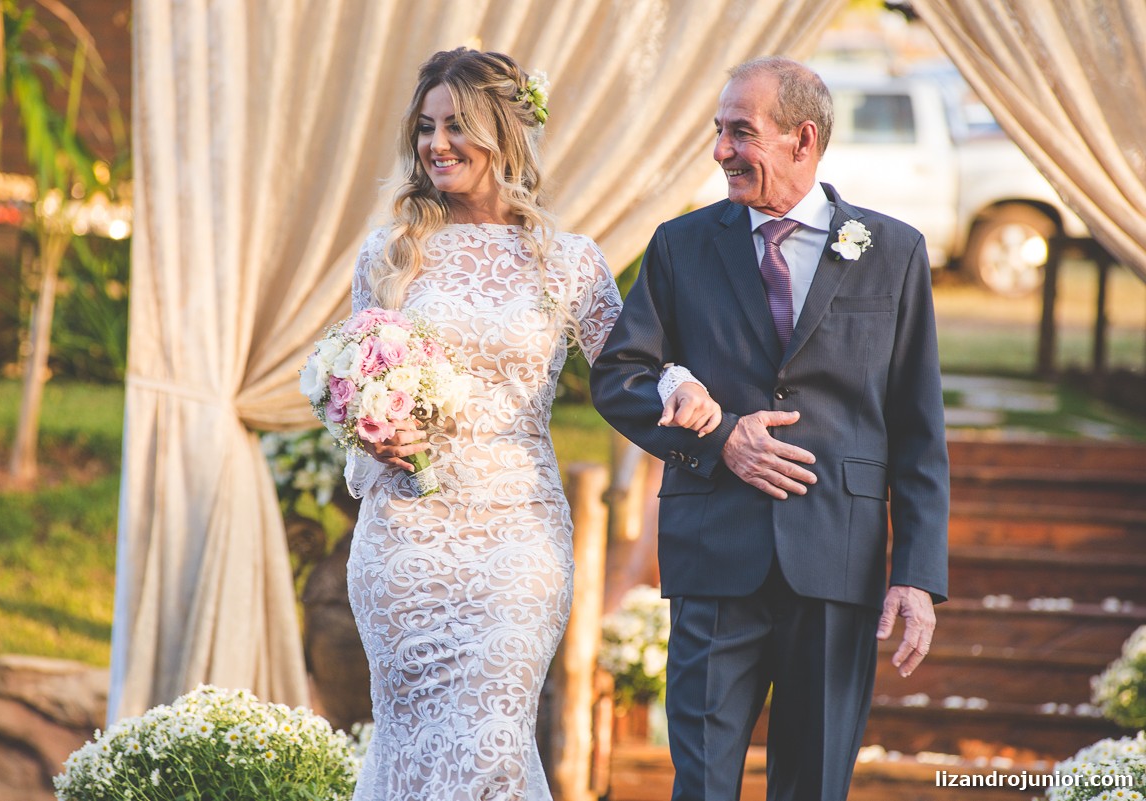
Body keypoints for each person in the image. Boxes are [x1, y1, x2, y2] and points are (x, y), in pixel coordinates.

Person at [342, 48, 719, 801]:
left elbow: (631, 365)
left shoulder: (567, 261)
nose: (437, 144)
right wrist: (376, 438)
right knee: (411, 741)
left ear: (504, 133)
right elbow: (356, 390)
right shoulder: (389, 253)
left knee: (492, 740)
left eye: (457, 125)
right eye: (426, 127)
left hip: (517, 536)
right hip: (405, 539)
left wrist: (682, 384)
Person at [590, 56, 950, 801]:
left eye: (740, 132)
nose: (720, 149)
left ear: (803, 139)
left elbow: (918, 431)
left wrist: (916, 575)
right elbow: (619, 375)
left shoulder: (895, 252)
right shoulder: (680, 245)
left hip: (837, 561)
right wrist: (719, 436)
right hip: (713, 555)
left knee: (813, 786)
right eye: (718, 130)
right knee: (701, 785)